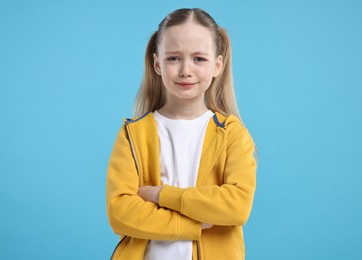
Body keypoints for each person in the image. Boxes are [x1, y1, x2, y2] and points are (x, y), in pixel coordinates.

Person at [106, 8, 257, 260]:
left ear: (217, 65)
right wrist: (193, 225)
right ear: (157, 63)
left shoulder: (233, 134)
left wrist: (160, 195)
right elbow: (120, 212)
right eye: (174, 58)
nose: (186, 70)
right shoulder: (133, 134)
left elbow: (236, 206)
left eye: (199, 59)